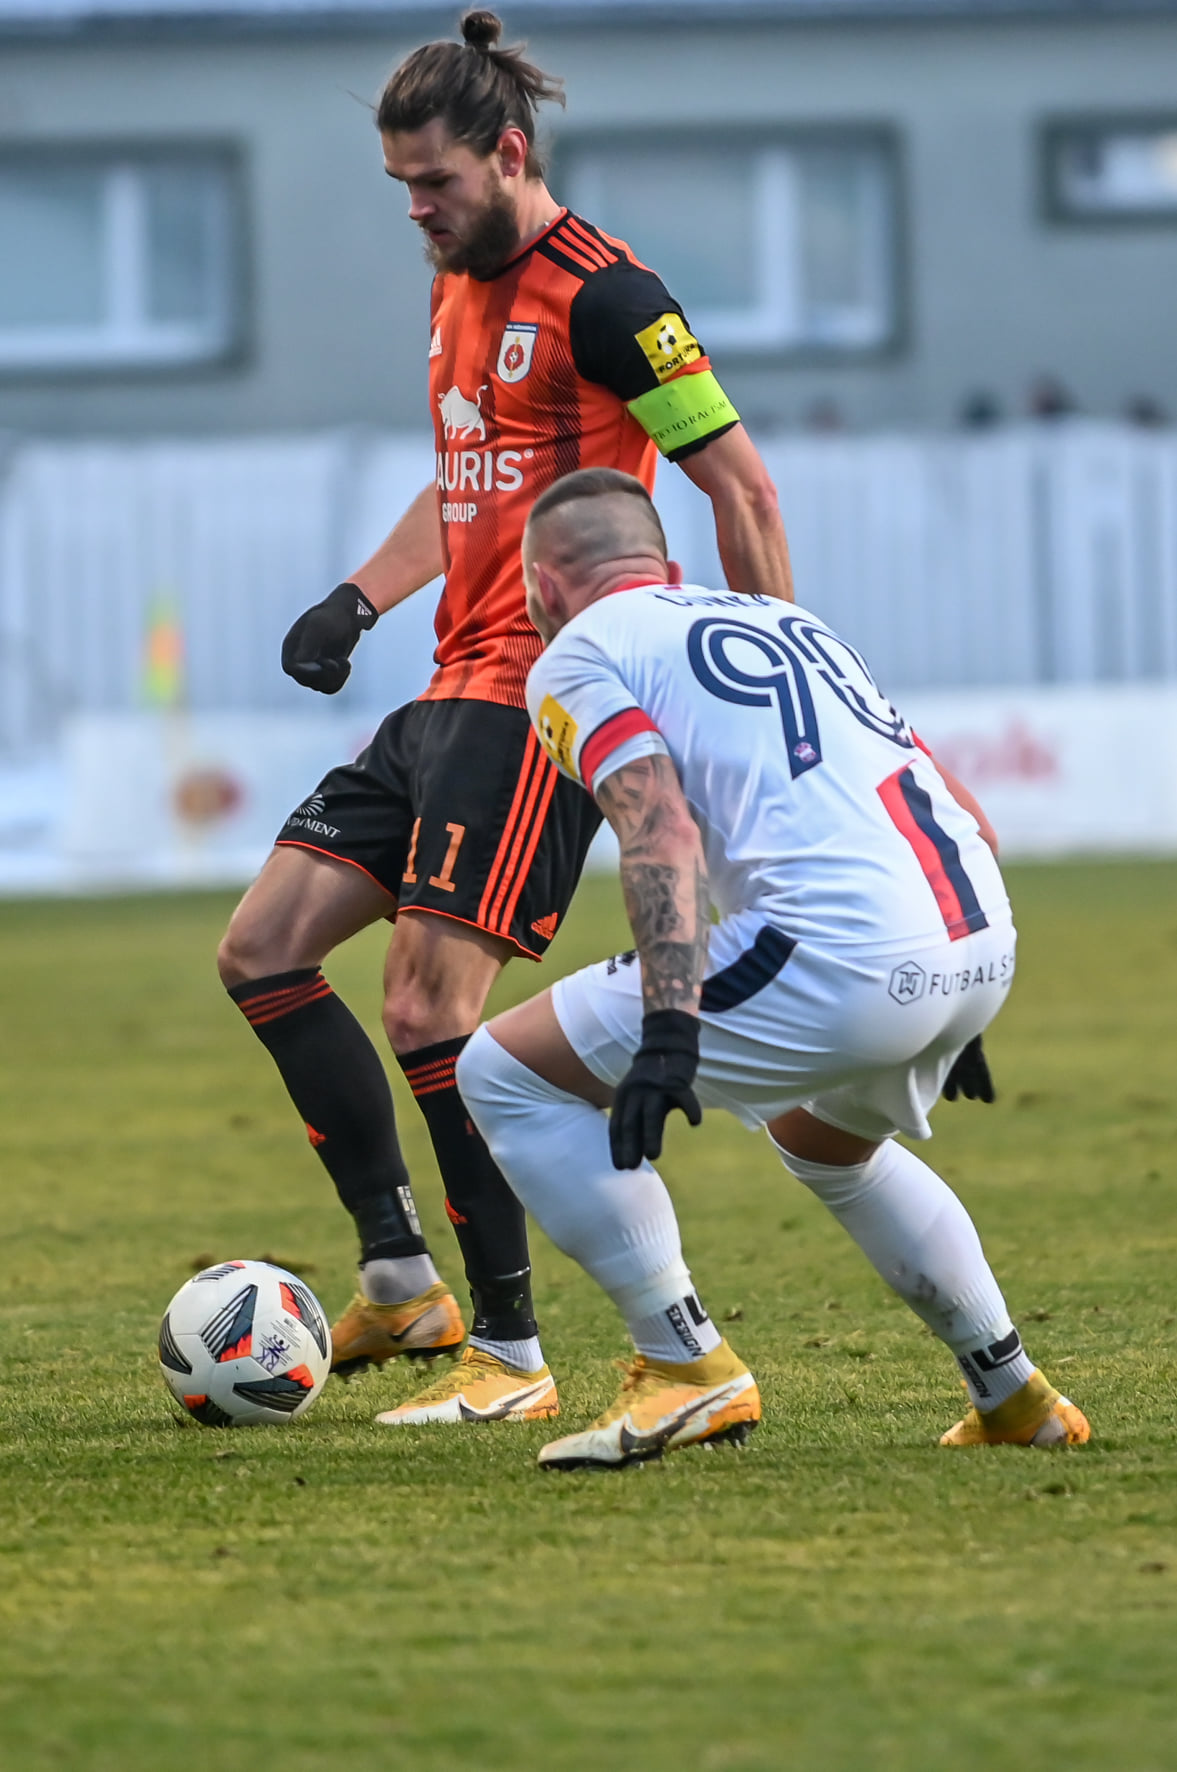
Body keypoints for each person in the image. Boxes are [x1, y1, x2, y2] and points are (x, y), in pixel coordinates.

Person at [215, 9, 793, 1428]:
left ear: (511, 153)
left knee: (430, 1008)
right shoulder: (454, 287)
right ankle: (401, 1279)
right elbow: (468, 467)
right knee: (263, 950)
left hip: (541, 695)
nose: (417, 209)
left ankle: (514, 1351)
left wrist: (764, 679)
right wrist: (359, 597)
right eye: (401, 185)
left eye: (437, 181)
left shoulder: (610, 297)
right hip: (443, 686)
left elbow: (739, 484)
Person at [454, 467, 1091, 1469]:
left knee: (502, 1071)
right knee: (825, 1143)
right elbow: (966, 810)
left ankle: (684, 1367)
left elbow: (657, 828)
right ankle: (1011, 1393)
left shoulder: (578, 651)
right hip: (977, 935)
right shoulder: (792, 623)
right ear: (666, 566)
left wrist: (668, 1024)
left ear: (541, 583)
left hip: (847, 954)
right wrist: (952, 1002)